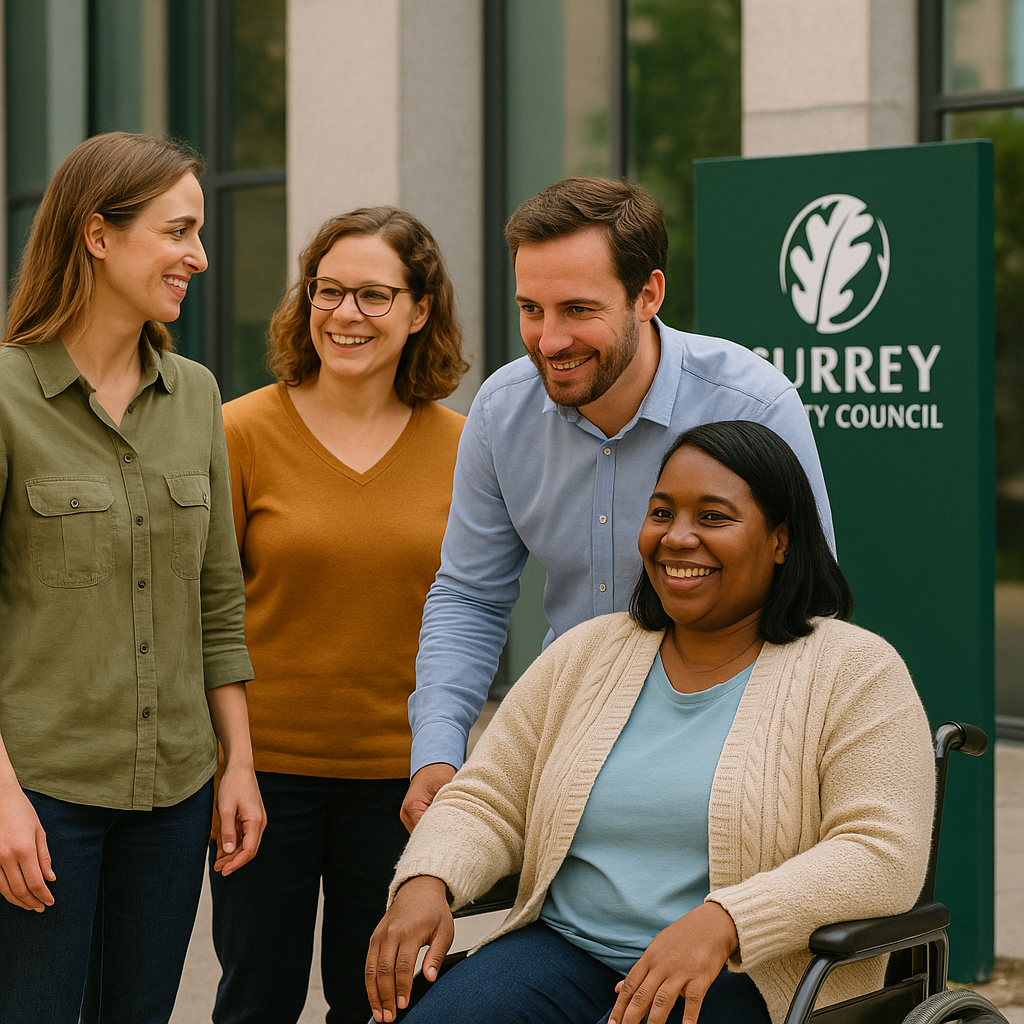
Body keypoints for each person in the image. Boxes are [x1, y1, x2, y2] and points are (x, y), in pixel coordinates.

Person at [367, 420, 935, 1024]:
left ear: (781, 539)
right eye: (662, 513)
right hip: (566, 952)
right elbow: (488, 799)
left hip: (749, 977)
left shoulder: (854, 669)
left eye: (713, 518)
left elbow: (879, 854)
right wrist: (428, 879)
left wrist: (726, 921)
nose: (677, 538)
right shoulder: (588, 654)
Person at [404, 177, 835, 829]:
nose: (549, 340)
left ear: (648, 295)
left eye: (578, 310)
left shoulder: (753, 405)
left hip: (724, 757)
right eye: (531, 309)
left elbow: (808, 603)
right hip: (565, 747)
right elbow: (470, 596)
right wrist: (437, 752)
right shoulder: (501, 410)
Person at [0, 132, 265, 1024]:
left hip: (176, 792)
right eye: (177, 230)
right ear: (97, 235)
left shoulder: (194, 393)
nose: (197, 255)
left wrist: (240, 764)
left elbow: (217, 597)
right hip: (39, 793)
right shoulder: (4, 396)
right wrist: (0, 799)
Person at [208, 207, 468, 1024]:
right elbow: (208, 609)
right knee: (256, 1001)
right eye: (327, 291)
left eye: (373, 295)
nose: (345, 315)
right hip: (263, 778)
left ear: (421, 309)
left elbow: (478, 608)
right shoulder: (239, 431)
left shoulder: (467, 446)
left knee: (383, 1005)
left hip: (403, 783)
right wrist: (231, 765)